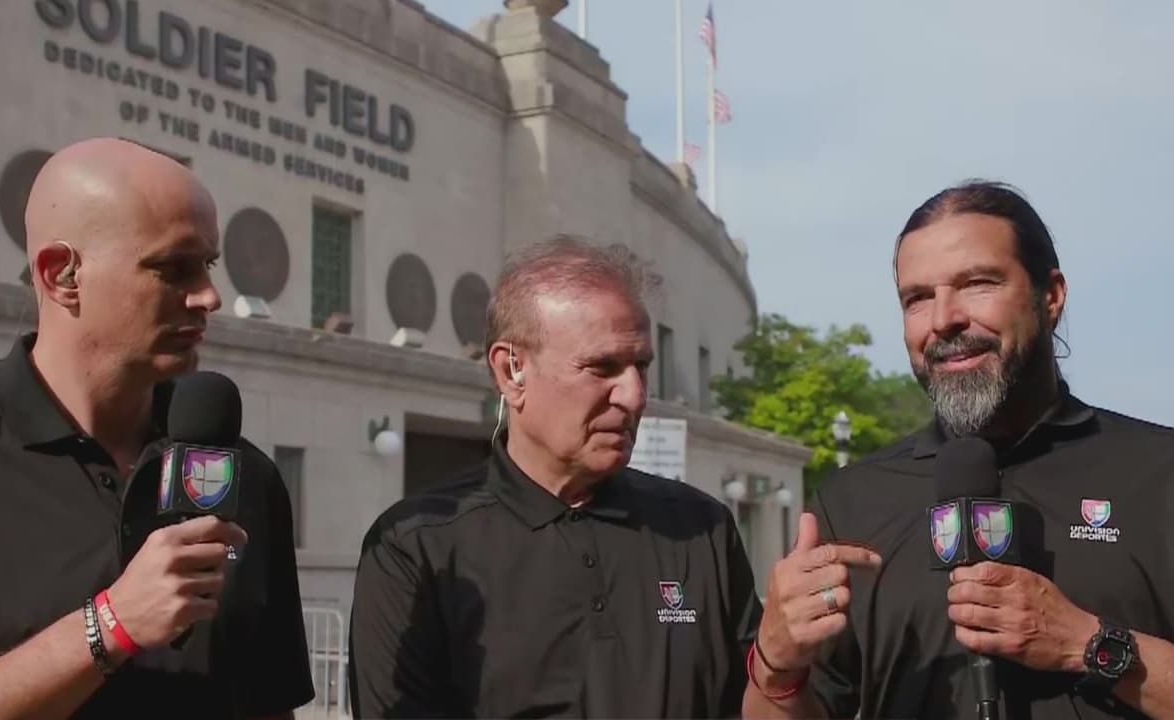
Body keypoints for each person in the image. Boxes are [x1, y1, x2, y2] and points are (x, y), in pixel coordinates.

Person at [0, 138, 314, 718]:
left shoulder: (247, 475)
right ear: (61, 275)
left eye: (209, 266)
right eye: (174, 268)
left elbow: (271, 704)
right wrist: (111, 626)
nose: (209, 296)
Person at [742, 180, 1174, 719]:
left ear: (1051, 296)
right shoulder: (851, 504)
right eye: (917, 298)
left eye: (978, 283)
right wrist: (776, 667)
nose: (943, 318)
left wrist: (1088, 644)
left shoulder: (1158, 474)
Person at [348, 235, 762, 717]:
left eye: (641, 367)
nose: (634, 396)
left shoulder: (701, 529)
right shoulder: (414, 549)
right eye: (602, 367)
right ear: (512, 371)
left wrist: (781, 663)